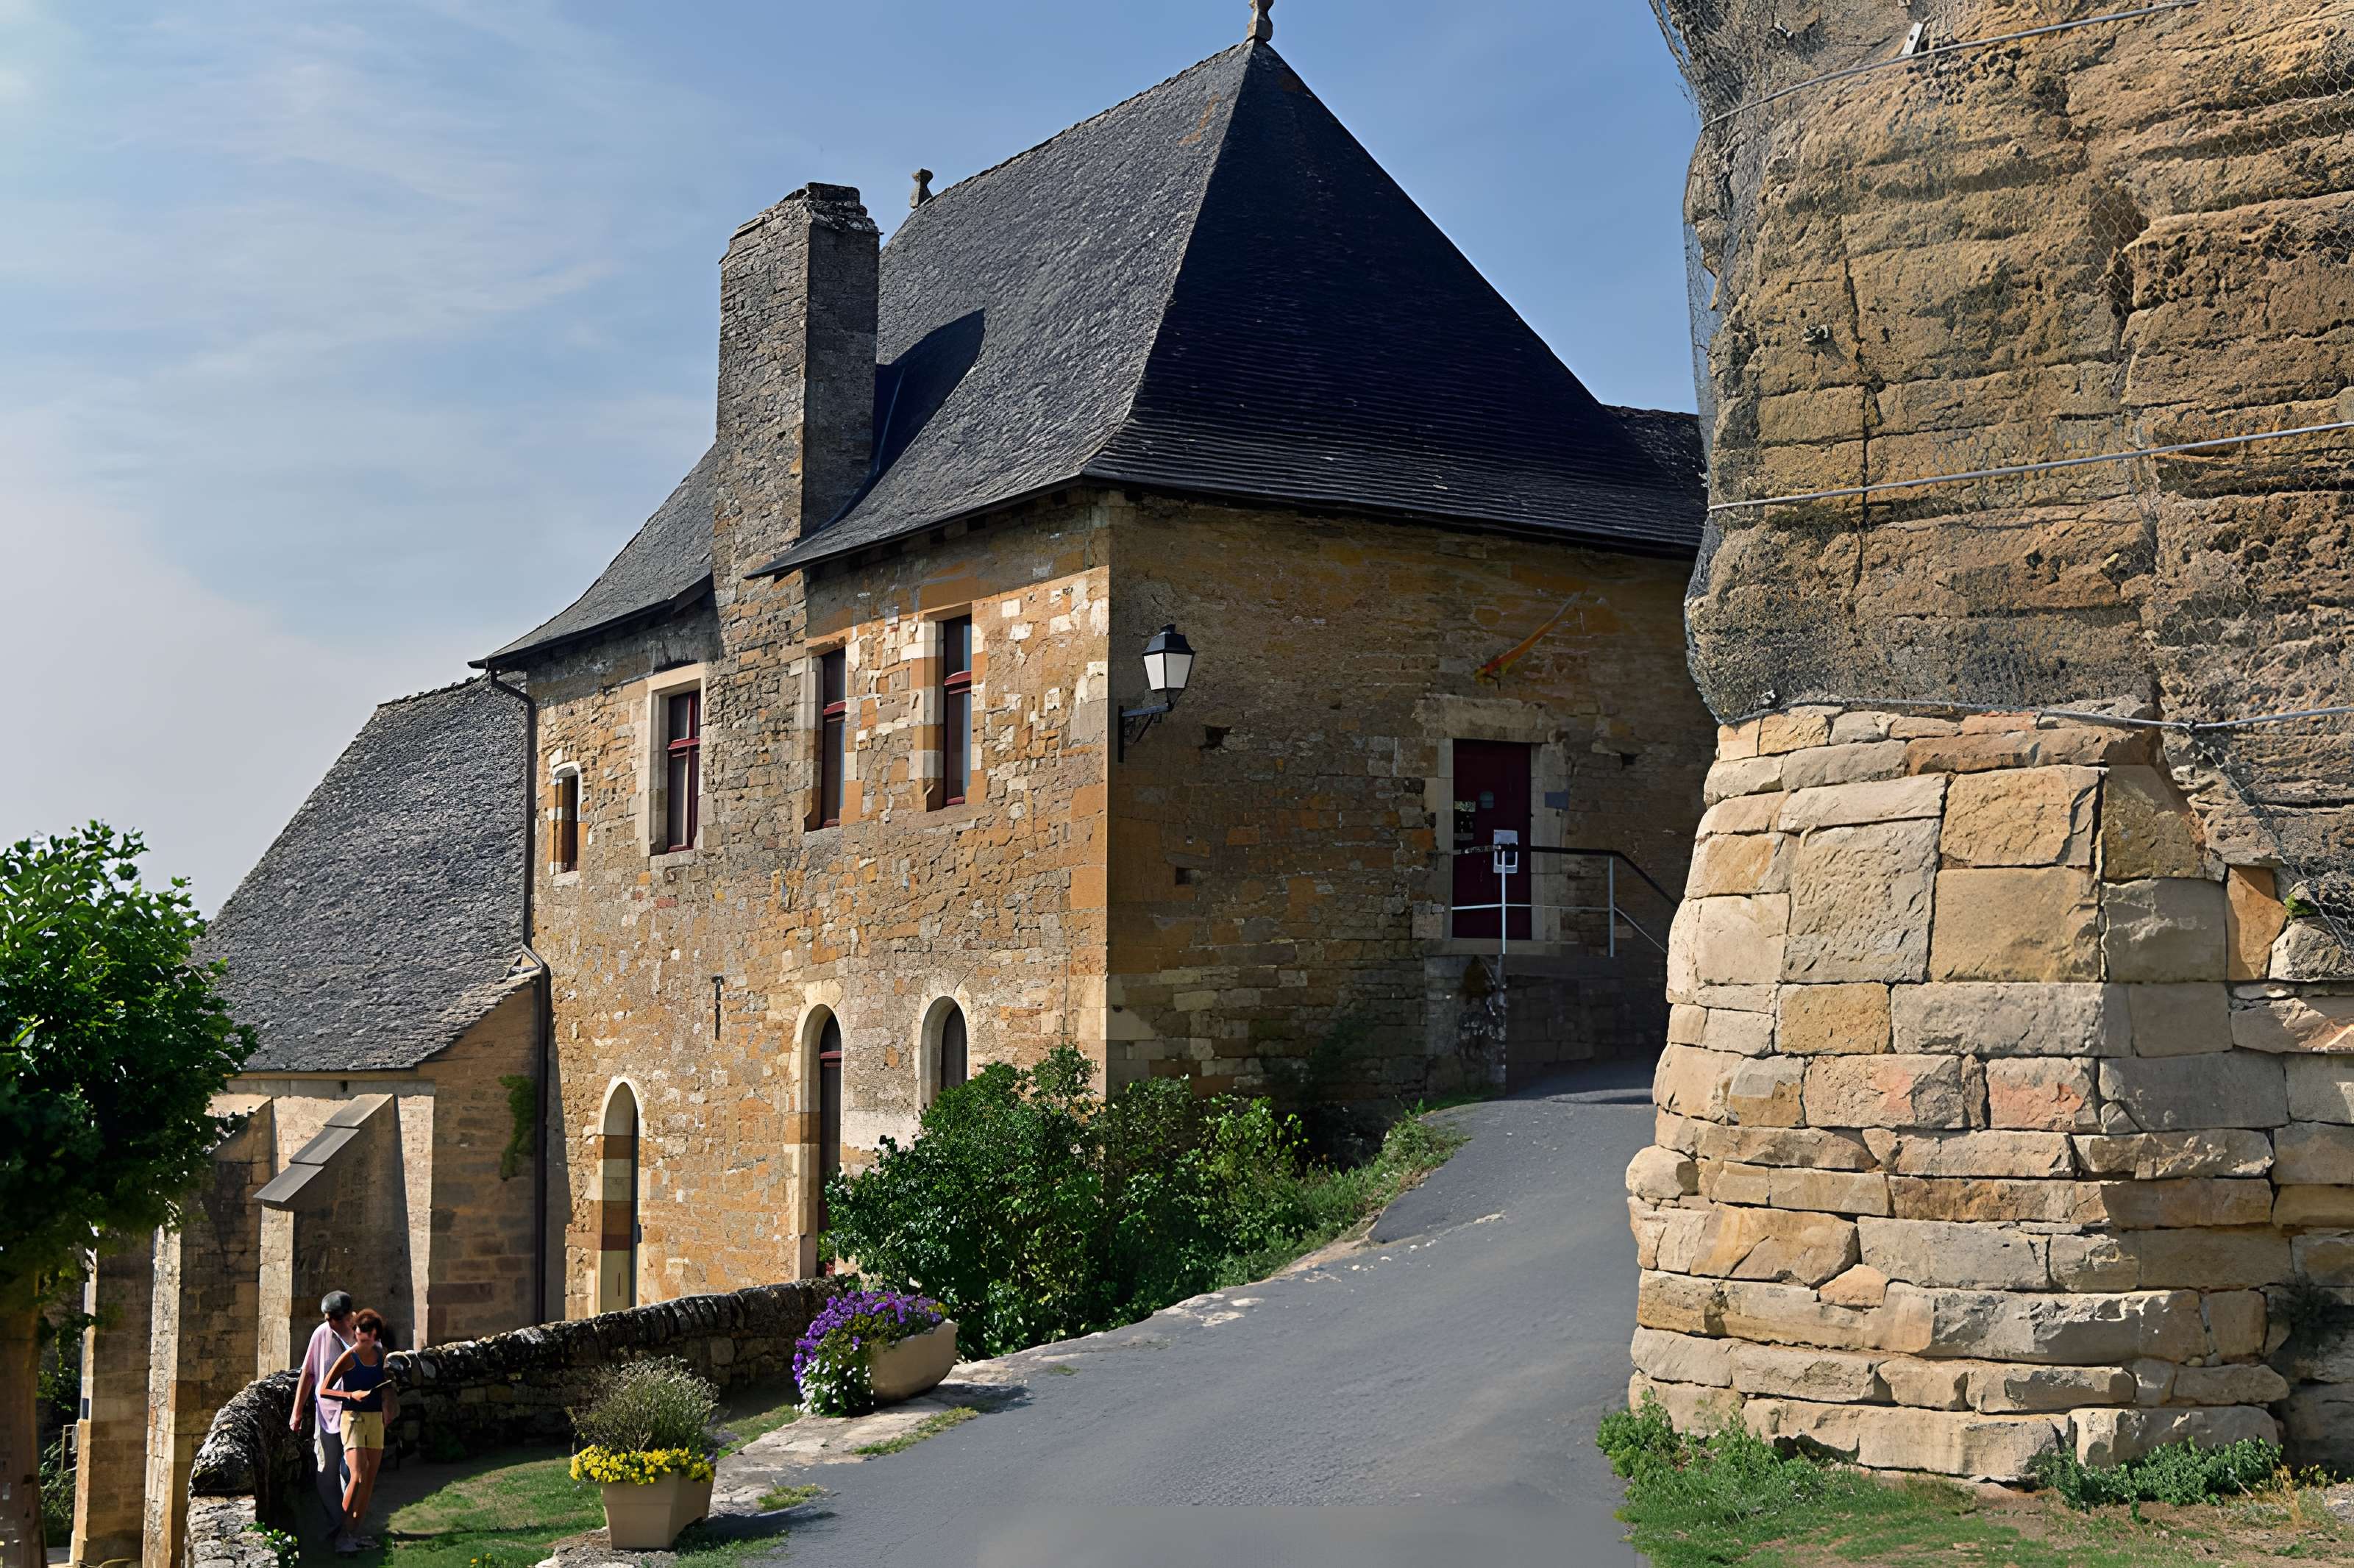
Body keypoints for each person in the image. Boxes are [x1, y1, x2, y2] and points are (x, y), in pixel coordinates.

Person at [317, 1308, 398, 1555]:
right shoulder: (349, 1357)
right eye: (360, 1334)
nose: (363, 1339)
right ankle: (340, 1535)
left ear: (375, 1335)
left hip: (375, 1419)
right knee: (358, 1475)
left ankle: (353, 1533)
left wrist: (387, 1405)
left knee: (370, 1479)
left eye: (368, 1336)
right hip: (352, 1418)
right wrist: (351, 1395)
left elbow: (385, 1385)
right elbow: (324, 1390)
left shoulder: (381, 1355)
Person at [288, 1291, 356, 1547]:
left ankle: (347, 1533)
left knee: (350, 1472)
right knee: (326, 1472)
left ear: (347, 1316)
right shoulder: (321, 1334)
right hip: (326, 1414)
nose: (329, 1323)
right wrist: (296, 1412)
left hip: (355, 1415)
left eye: (333, 1319)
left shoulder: (361, 1335)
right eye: (326, 1319)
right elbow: (308, 1373)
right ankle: (337, 1524)